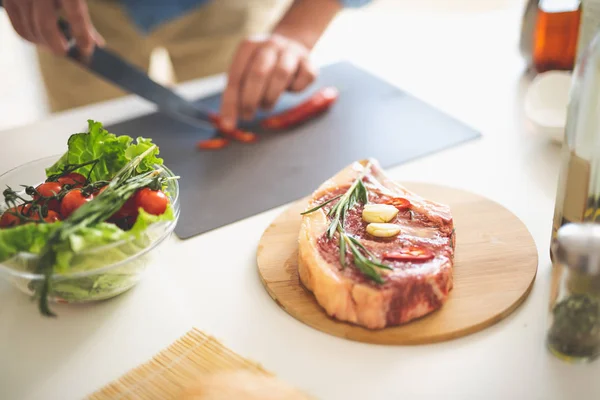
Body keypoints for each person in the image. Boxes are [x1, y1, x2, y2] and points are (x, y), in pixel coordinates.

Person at [2, 0, 371, 131]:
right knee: (87, 147)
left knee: (243, 108)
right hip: (80, 14)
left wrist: (296, 31)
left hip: (225, 8)